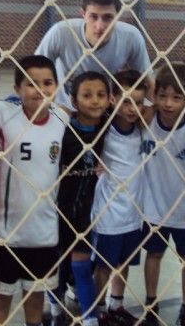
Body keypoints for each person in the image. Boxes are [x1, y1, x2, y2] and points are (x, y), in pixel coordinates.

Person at [0, 55, 68, 326]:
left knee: (36, 293)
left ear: (56, 86)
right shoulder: (3, 113)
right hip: (7, 232)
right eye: (32, 83)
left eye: (48, 83)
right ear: (17, 89)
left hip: (44, 231)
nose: (40, 90)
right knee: (2, 293)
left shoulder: (62, 119)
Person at [140, 62, 185, 326]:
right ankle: (150, 303)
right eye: (163, 96)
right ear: (154, 95)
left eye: (176, 97)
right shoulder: (146, 122)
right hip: (153, 209)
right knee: (153, 255)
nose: (168, 103)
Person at [48, 71, 111, 326]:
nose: (95, 101)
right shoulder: (61, 127)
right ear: (74, 101)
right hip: (55, 211)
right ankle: (55, 309)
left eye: (101, 95)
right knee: (56, 267)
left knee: (82, 266)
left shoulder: (107, 124)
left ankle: (90, 320)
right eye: (87, 95)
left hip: (85, 212)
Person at [35, 0, 152, 109]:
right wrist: (51, 108)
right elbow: (34, 75)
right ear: (83, 14)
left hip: (104, 107)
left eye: (107, 17)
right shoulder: (61, 32)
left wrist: (157, 109)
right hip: (64, 108)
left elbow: (146, 81)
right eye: (93, 17)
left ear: (118, 15)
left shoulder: (131, 36)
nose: (99, 26)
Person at [92, 70, 149, 326]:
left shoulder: (141, 128)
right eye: (126, 102)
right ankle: (99, 309)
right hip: (109, 212)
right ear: (113, 99)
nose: (133, 108)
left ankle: (116, 304)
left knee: (124, 262)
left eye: (138, 102)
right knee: (104, 265)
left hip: (133, 212)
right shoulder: (104, 129)